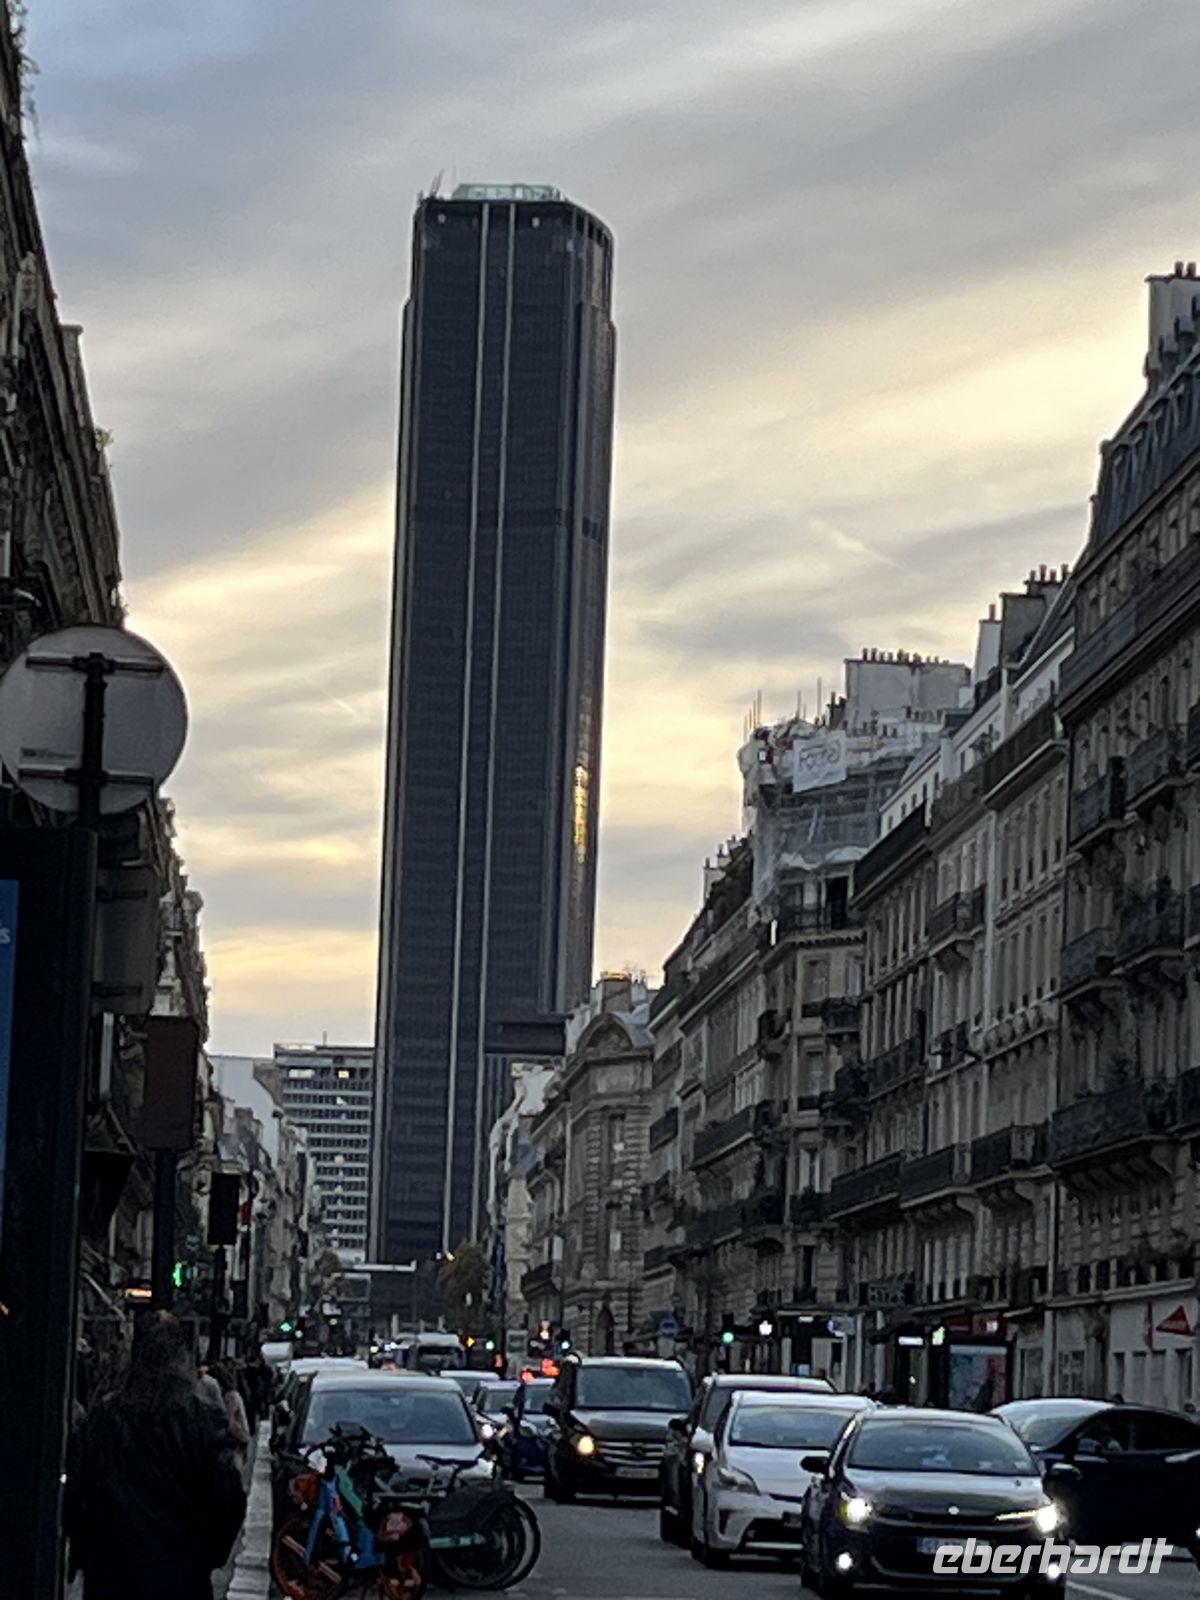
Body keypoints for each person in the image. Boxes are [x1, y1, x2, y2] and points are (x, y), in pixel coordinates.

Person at [65, 1312, 247, 1600]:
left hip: (114, 1571)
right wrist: (207, 1556)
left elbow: (77, 1493)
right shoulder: (202, 1421)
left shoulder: (106, 1417)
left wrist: (86, 1549)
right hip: (181, 1573)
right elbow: (228, 1499)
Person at [210, 1361, 252, 1456]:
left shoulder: (230, 1396)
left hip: (236, 1439)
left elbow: (230, 1421)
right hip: (240, 1437)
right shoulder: (232, 1394)